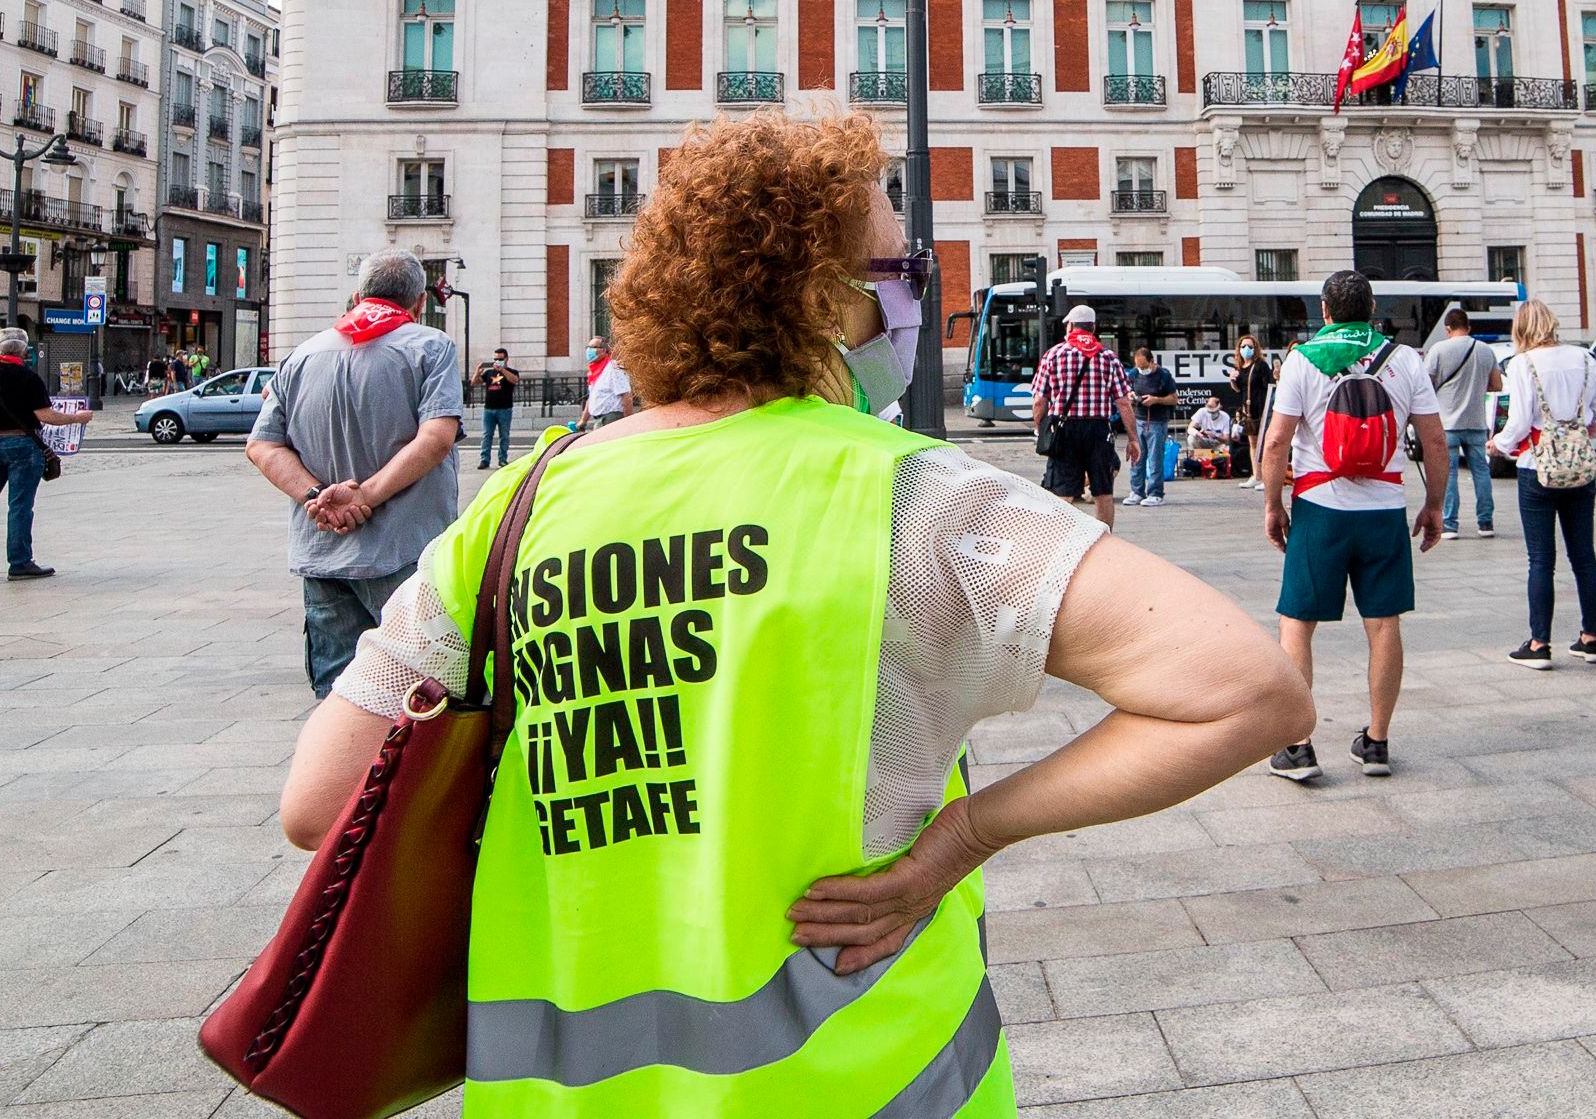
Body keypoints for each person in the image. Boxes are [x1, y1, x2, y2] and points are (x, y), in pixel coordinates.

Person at [274, 111, 1312, 1118]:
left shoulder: (519, 507)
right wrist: (961, 838)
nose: (907, 300)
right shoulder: (915, 496)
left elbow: (319, 805)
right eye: (898, 273)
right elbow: (1248, 692)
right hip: (868, 1079)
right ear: (823, 295)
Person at [246, 250, 463, 698]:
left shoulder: (301, 355)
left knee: (337, 695)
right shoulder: (430, 346)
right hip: (406, 552)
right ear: (420, 303)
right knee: (417, 696)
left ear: (356, 295)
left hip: (323, 553)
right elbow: (437, 437)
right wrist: (363, 497)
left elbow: (262, 444)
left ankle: (341, 769)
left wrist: (316, 496)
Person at [1261, 270, 1448, 782]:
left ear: (1325, 311)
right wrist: (1434, 504)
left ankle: (1298, 747)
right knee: (1384, 624)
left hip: (1319, 507)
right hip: (1384, 510)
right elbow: (1434, 442)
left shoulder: (1302, 359)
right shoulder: (1404, 359)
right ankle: (1377, 742)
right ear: (1372, 310)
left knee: (1298, 622)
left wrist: (1273, 506)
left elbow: (1277, 442)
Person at [1490, 299, 1596, 669]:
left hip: (1537, 467)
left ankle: (1539, 644)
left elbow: (1519, 421)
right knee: (1585, 556)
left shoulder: (1523, 364)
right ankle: (1591, 635)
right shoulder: (1585, 359)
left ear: (1522, 328)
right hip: (1580, 466)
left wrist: (1499, 445)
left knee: (1541, 558)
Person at [0, 328, 91, 582]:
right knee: (20, 505)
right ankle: (19, 562)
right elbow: (46, 416)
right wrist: (77, 418)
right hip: (21, 445)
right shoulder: (29, 379)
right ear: (24, 352)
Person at [1032, 305, 1141, 530]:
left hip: (1064, 429)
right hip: (1099, 430)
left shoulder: (1054, 354)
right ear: (1093, 328)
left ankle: (1064, 541)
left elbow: (1039, 401)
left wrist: (1040, 429)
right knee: (1103, 492)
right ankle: (1104, 540)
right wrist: (1132, 439)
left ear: (1070, 326)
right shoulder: (1108, 357)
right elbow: (1124, 403)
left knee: (1062, 492)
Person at [1426, 308, 1504, 538]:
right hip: (1476, 421)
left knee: (1448, 474)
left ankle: (1450, 524)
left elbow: (1426, 386)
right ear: (1469, 327)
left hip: (1447, 422)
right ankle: (1485, 522)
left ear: (1447, 328)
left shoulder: (1438, 349)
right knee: (1481, 472)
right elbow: (1497, 385)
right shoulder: (1485, 350)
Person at [1122, 348, 1176, 508]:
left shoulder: (1164, 376)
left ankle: (1155, 493)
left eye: (1144, 367)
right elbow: (1126, 390)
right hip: (1138, 419)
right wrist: (1131, 395)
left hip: (1157, 421)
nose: (1141, 370)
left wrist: (1156, 400)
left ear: (1152, 362)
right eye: (1139, 367)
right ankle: (1137, 491)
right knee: (1137, 457)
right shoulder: (1134, 374)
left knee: (1155, 459)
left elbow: (1174, 399)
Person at [1230, 335, 1273, 490]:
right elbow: (1239, 390)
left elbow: (1269, 386)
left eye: (1249, 346)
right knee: (1253, 443)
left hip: (1261, 408)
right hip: (1248, 410)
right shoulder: (1240, 367)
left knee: (1264, 443)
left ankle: (1267, 477)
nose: (1246, 349)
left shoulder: (1260, 365)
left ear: (1255, 348)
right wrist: (1232, 381)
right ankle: (1257, 475)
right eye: (1243, 346)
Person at [473, 346, 520, 470]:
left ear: (506, 359)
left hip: (505, 409)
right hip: (489, 409)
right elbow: (474, 383)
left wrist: (502, 370)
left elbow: (515, 380)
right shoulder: (489, 373)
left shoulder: (512, 372)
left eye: (500, 359)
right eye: (495, 359)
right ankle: (484, 460)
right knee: (486, 435)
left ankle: (502, 459)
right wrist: (477, 372)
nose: (497, 361)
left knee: (504, 435)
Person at [577, 335, 633, 430]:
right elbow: (592, 397)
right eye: (588, 347)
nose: (589, 350)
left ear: (603, 350)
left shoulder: (613, 368)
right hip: (599, 420)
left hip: (611, 419)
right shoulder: (594, 371)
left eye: (593, 347)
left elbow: (626, 395)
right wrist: (583, 420)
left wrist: (627, 422)